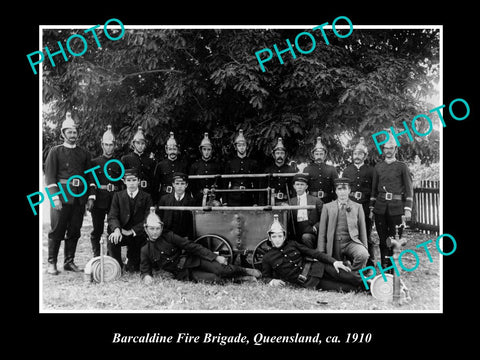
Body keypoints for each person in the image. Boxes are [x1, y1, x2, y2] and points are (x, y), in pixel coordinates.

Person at [140, 207, 262, 284]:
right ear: (146, 229)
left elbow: (192, 246)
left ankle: (245, 271)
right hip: (184, 273)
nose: (155, 232)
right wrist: (147, 277)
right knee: (215, 279)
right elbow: (145, 270)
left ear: (161, 228)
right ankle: (240, 279)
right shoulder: (145, 250)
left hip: (194, 260)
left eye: (157, 228)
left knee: (221, 269)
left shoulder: (170, 236)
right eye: (152, 229)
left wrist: (215, 257)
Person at [44, 112, 96, 275]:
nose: (73, 135)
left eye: (74, 132)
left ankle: (69, 261)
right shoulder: (55, 151)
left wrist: (91, 196)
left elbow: (90, 177)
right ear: (63, 134)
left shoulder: (84, 153)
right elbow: (50, 176)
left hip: (79, 198)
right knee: (57, 230)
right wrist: (55, 198)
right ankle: (52, 262)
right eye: (69, 132)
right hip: (61, 197)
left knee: (75, 230)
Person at [261, 215, 365, 292]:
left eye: (280, 236)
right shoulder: (267, 257)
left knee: (349, 276)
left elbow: (314, 253)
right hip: (309, 281)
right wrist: (272, 281)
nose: (277, 239)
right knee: (348, 289)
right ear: (270, 238)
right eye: (274, 237)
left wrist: (334, 262)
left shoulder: (292, 244)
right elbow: (265, 277)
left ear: (284, 236)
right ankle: (370, 290)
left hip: (318, 268)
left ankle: (374, 283)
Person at [370, 134, 413, 269]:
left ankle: (393, 268)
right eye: (385, 148)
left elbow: (409, 189)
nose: (388, 151)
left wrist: (407, 209)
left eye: (391, 148)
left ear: (395, 149)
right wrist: (372, 208)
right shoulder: (378, 167)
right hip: (380, 208)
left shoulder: (402, 166)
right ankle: (384, 266)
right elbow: (374, 190)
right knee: (383, 240)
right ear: (383, 150)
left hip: (397, 208)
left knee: (395, 239)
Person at [317, 178, 369, 271]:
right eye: (339, 189)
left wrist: (365, 247)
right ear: (336, 191)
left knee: (363, 254)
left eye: (345, 189)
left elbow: (362, 230)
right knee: (336, 269)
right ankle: (346, 272)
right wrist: (321, 252)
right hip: (334, 243)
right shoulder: (327, 207)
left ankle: (354, 273)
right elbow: (322, 232)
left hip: (351, 242)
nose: (342, 192)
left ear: (349, 190)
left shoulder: (357, 207)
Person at [107, 168, 153, 272]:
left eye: (134, 180)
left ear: (139, 181)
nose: (131, 183)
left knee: (134, 268)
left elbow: (148, 218)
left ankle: (131, 261)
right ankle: (117, 266)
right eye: (128, 180)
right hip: (121, 232)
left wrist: (133, 231)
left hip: (138, 234)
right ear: (124, 181)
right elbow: (112, 216)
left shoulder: (146, 197)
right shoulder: (118, 196)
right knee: (112, 239)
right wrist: (117, 230)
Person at [88, 125, 123, 257]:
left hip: (114, 199)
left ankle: (111, 256)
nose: (109, 147)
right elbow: (91, 182)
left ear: (114, 146)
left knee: (112, 228)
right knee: (97, 229)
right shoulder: (94, 162)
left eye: (111, 145)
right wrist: (91, 198)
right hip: (99, 199)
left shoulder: (119, 163)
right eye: (106, 145)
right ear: (102, 145)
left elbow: (121, 184)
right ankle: (96, 256)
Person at [341, 137, 376, 267]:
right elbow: (343, 189)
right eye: (355, 154)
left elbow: (374, 190)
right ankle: (352, 260)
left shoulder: (371, 170)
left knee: (366, 234)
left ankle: (369, 263)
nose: (357, 156)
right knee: (351, 233)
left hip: (366, 207)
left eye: (360, 154)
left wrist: (372, 208)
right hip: (351, 206)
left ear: (365, 156)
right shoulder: (347, 170)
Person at [223, 129, 260, 206]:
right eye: (239, 145)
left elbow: (256, 184)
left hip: (248, 197)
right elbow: (225, 183)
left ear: (247, 146)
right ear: (235, 147)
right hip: (233, 197)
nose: (241, 147)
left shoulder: (253, 163)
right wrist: (225, 201)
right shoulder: (230, 163)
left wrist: (256, 202)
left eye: (243, 145)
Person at [288, 173, 323, 248]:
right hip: (296, 232)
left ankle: (311, 256)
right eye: (297, 184)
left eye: (302, 184)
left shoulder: (316, 201)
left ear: (306, 186)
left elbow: (324, 218)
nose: (299, 187)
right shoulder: (290, 202)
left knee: (306, 237)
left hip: (311, 232)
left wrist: (315, 227)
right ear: (294, 186)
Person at [157, 172, 195, 239]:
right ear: (173, 184)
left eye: (182, 184)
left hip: (183, 236)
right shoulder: (164, 199)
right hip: (167, 235)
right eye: (177, 184)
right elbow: (159, 217)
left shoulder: (191, 201)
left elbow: (192, 223)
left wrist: (188, 236)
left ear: (186, 185)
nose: (179, 186)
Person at [188, 133, 222, 205]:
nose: (206, 152)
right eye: (204, 149)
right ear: (201, 150)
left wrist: (217, 196)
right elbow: (191, 185)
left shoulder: (217, 166)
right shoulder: (195, 166)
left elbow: (221, 183)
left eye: (209, 149)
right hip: (198, 199)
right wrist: (197, 195)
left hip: (214, 198)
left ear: (211, 150)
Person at [121, 126, 156, 196]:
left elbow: (153, 181)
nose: (140, 146)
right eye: (138, 143)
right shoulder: (126, 159)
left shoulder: (150, 161)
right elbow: (122, 180)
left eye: (142, 143)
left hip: (146, 192)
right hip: (131, 193)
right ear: (133, 144)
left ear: (145, 145)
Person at [153, 132, 188, 203]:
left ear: (177, 150)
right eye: (170, 149)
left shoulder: (183, 165)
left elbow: (187, 184)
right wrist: (155, 201)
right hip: (164, 196)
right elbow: (155, 185)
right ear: (166, 150)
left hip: (179, 196)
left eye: (174, 149)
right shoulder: (160, 165)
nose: (172, 152)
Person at [263, 137, 298, 205]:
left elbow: (294, 190)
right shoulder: (268, 170)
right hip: (271, 202)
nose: (280, 155)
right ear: (274, 155)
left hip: (286, 202)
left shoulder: (291, 170)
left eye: (282, 153)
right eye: (277, 153)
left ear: (285, 155)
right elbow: (263, 190)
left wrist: (292, 203)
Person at [303, 137, 338, 203]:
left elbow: (336, 187)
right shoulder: (307, 169)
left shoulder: (331, 169)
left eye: (321, 154)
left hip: (327, 201)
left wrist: (336, 202)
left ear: (325, 155)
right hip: (312, 201)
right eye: (317, 154)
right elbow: (304, 188)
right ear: (313, 155)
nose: (319, 156)